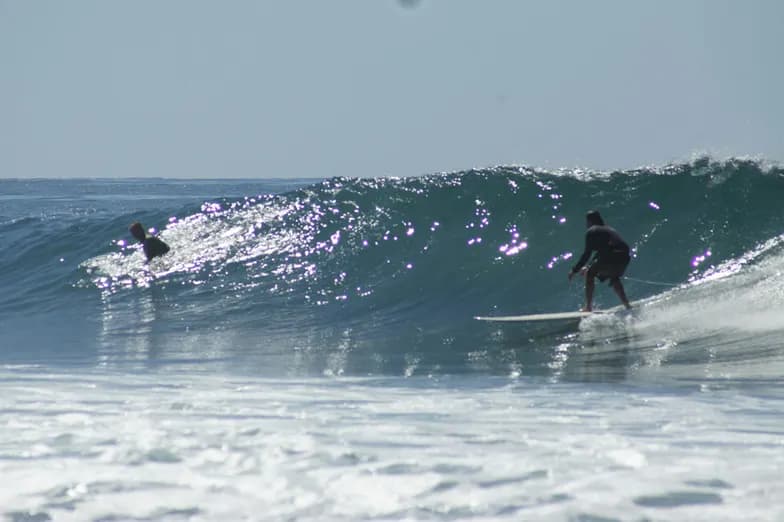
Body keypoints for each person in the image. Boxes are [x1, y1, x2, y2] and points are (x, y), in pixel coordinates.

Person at [567, 210, 631, 311]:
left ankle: (588, 307)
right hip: (625, 256)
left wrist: (574, 270)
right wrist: (589, 265)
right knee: (614, 277)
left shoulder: (592, 231)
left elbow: (587, 254)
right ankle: (627, 305)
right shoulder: (608, 229)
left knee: (590, 274)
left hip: (612, 255)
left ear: (590, 221)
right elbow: (604, 251)